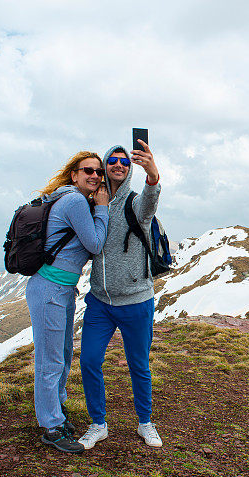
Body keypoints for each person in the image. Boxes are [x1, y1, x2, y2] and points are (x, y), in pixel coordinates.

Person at [78, 139, 163, 449]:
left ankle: (145, 422)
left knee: (138, 364)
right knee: (88, 361)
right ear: (104, 165)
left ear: (129, 169)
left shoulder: (135, 203)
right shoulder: (93, 203)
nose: (118, 165)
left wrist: (152, 174)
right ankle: (98, 425)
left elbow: (150, 202)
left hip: (136, 301)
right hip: (100, 302)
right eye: (112, 161)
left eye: (124, 162)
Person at [26, 151, 109, 453]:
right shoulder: (75, 202)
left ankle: (57, 414)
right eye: (88, 170)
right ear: (74, 174)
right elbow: (96, 243)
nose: (95, 177)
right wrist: (102, 208)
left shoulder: (73, 200)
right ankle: (50, 426)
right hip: (49, 289)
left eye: (99, 172)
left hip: (59, 289)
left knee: (61, 352)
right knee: (51, 360)